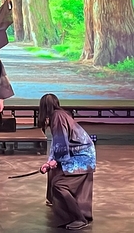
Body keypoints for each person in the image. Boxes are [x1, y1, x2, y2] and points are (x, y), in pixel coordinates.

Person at [38, 93, 96, 231]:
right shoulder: (60, 115)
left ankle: (78, 218)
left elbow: (61, 143)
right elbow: (56, 143)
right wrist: (50, 162)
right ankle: (71, 212)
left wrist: (55, 161)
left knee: (59, 185)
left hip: (81, 157)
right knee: (54, 174)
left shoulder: (58, 117)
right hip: (81, 154)